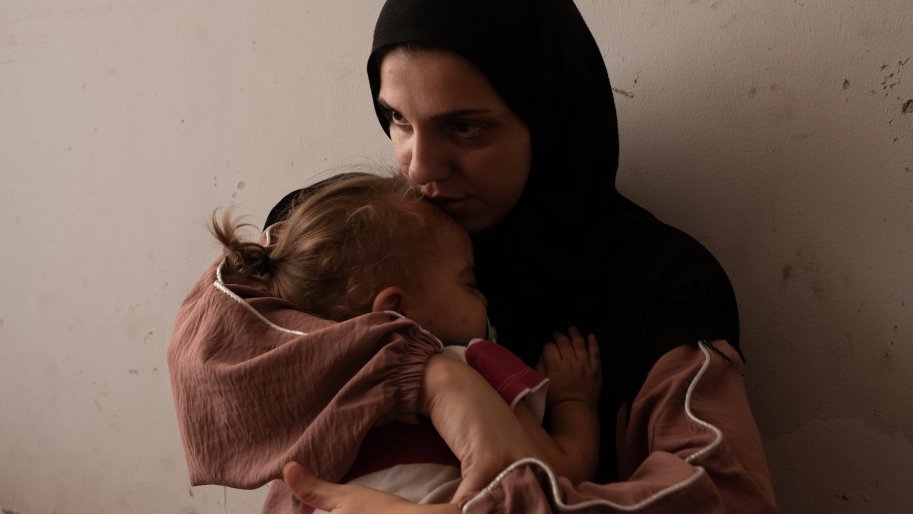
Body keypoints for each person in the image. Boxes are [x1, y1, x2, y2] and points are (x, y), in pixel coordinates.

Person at [170, 0, 778, 512]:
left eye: (465, 128)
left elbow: (726, 492)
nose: (419, 167)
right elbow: (208, 364)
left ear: (550, 119)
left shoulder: (658, 280)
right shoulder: (344, 234)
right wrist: (427, 377)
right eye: (397, 120)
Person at [169, 172, 602, 512]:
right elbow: (561, 472)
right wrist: (573, 400)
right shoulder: (469, 364)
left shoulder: (307, 412)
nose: (485, 299)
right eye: (469, 283)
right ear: (396, 308)